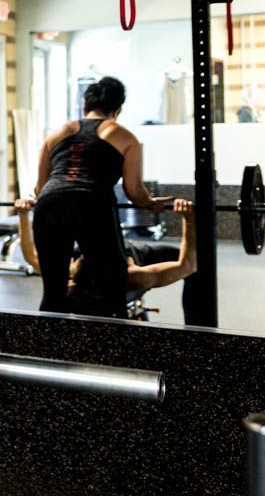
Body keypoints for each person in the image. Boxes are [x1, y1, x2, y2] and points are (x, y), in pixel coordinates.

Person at [30, 76, 173, 317]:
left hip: (49, 205)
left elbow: (39, 188)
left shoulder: (56, 134)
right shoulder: (124, 136)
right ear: (117, 110)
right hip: (91, 204)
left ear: (84, 106)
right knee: (113, 285)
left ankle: (47, 349)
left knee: (53, 289)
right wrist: (151, 204)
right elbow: (134, 191)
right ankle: (108, 350)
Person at [15, 197, 197, 316]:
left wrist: (23, 215)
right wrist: (188, 218)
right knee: (197, 266)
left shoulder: (68, 275)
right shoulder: (131, 277)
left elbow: (31, 256)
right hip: (132, 253)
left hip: (131, 252)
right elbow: (188, 265)